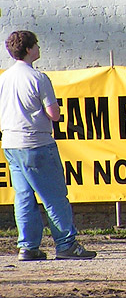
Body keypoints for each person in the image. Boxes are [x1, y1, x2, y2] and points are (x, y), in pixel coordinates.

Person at [0, 31, 96, 260]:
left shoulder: (4, 78)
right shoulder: (39, 78)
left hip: (11, 143)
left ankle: (28, 246)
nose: (39, 48)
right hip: (37, 142)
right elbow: (53, 113)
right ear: (29, 49)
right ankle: (66, 244)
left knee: (23, 196)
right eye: (36, 45)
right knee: (53, 196)